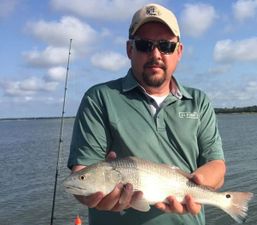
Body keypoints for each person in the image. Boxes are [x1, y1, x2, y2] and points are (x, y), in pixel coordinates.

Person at [67, 3, 226, 225]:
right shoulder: (99, 98)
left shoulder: (199, 102)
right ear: (129, 49)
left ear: (179, 51)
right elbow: (82, 172)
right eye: (144, 45)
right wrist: (89, 194)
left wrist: (194, 184)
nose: (155, 54)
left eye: (165, 46)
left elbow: (216, 164)